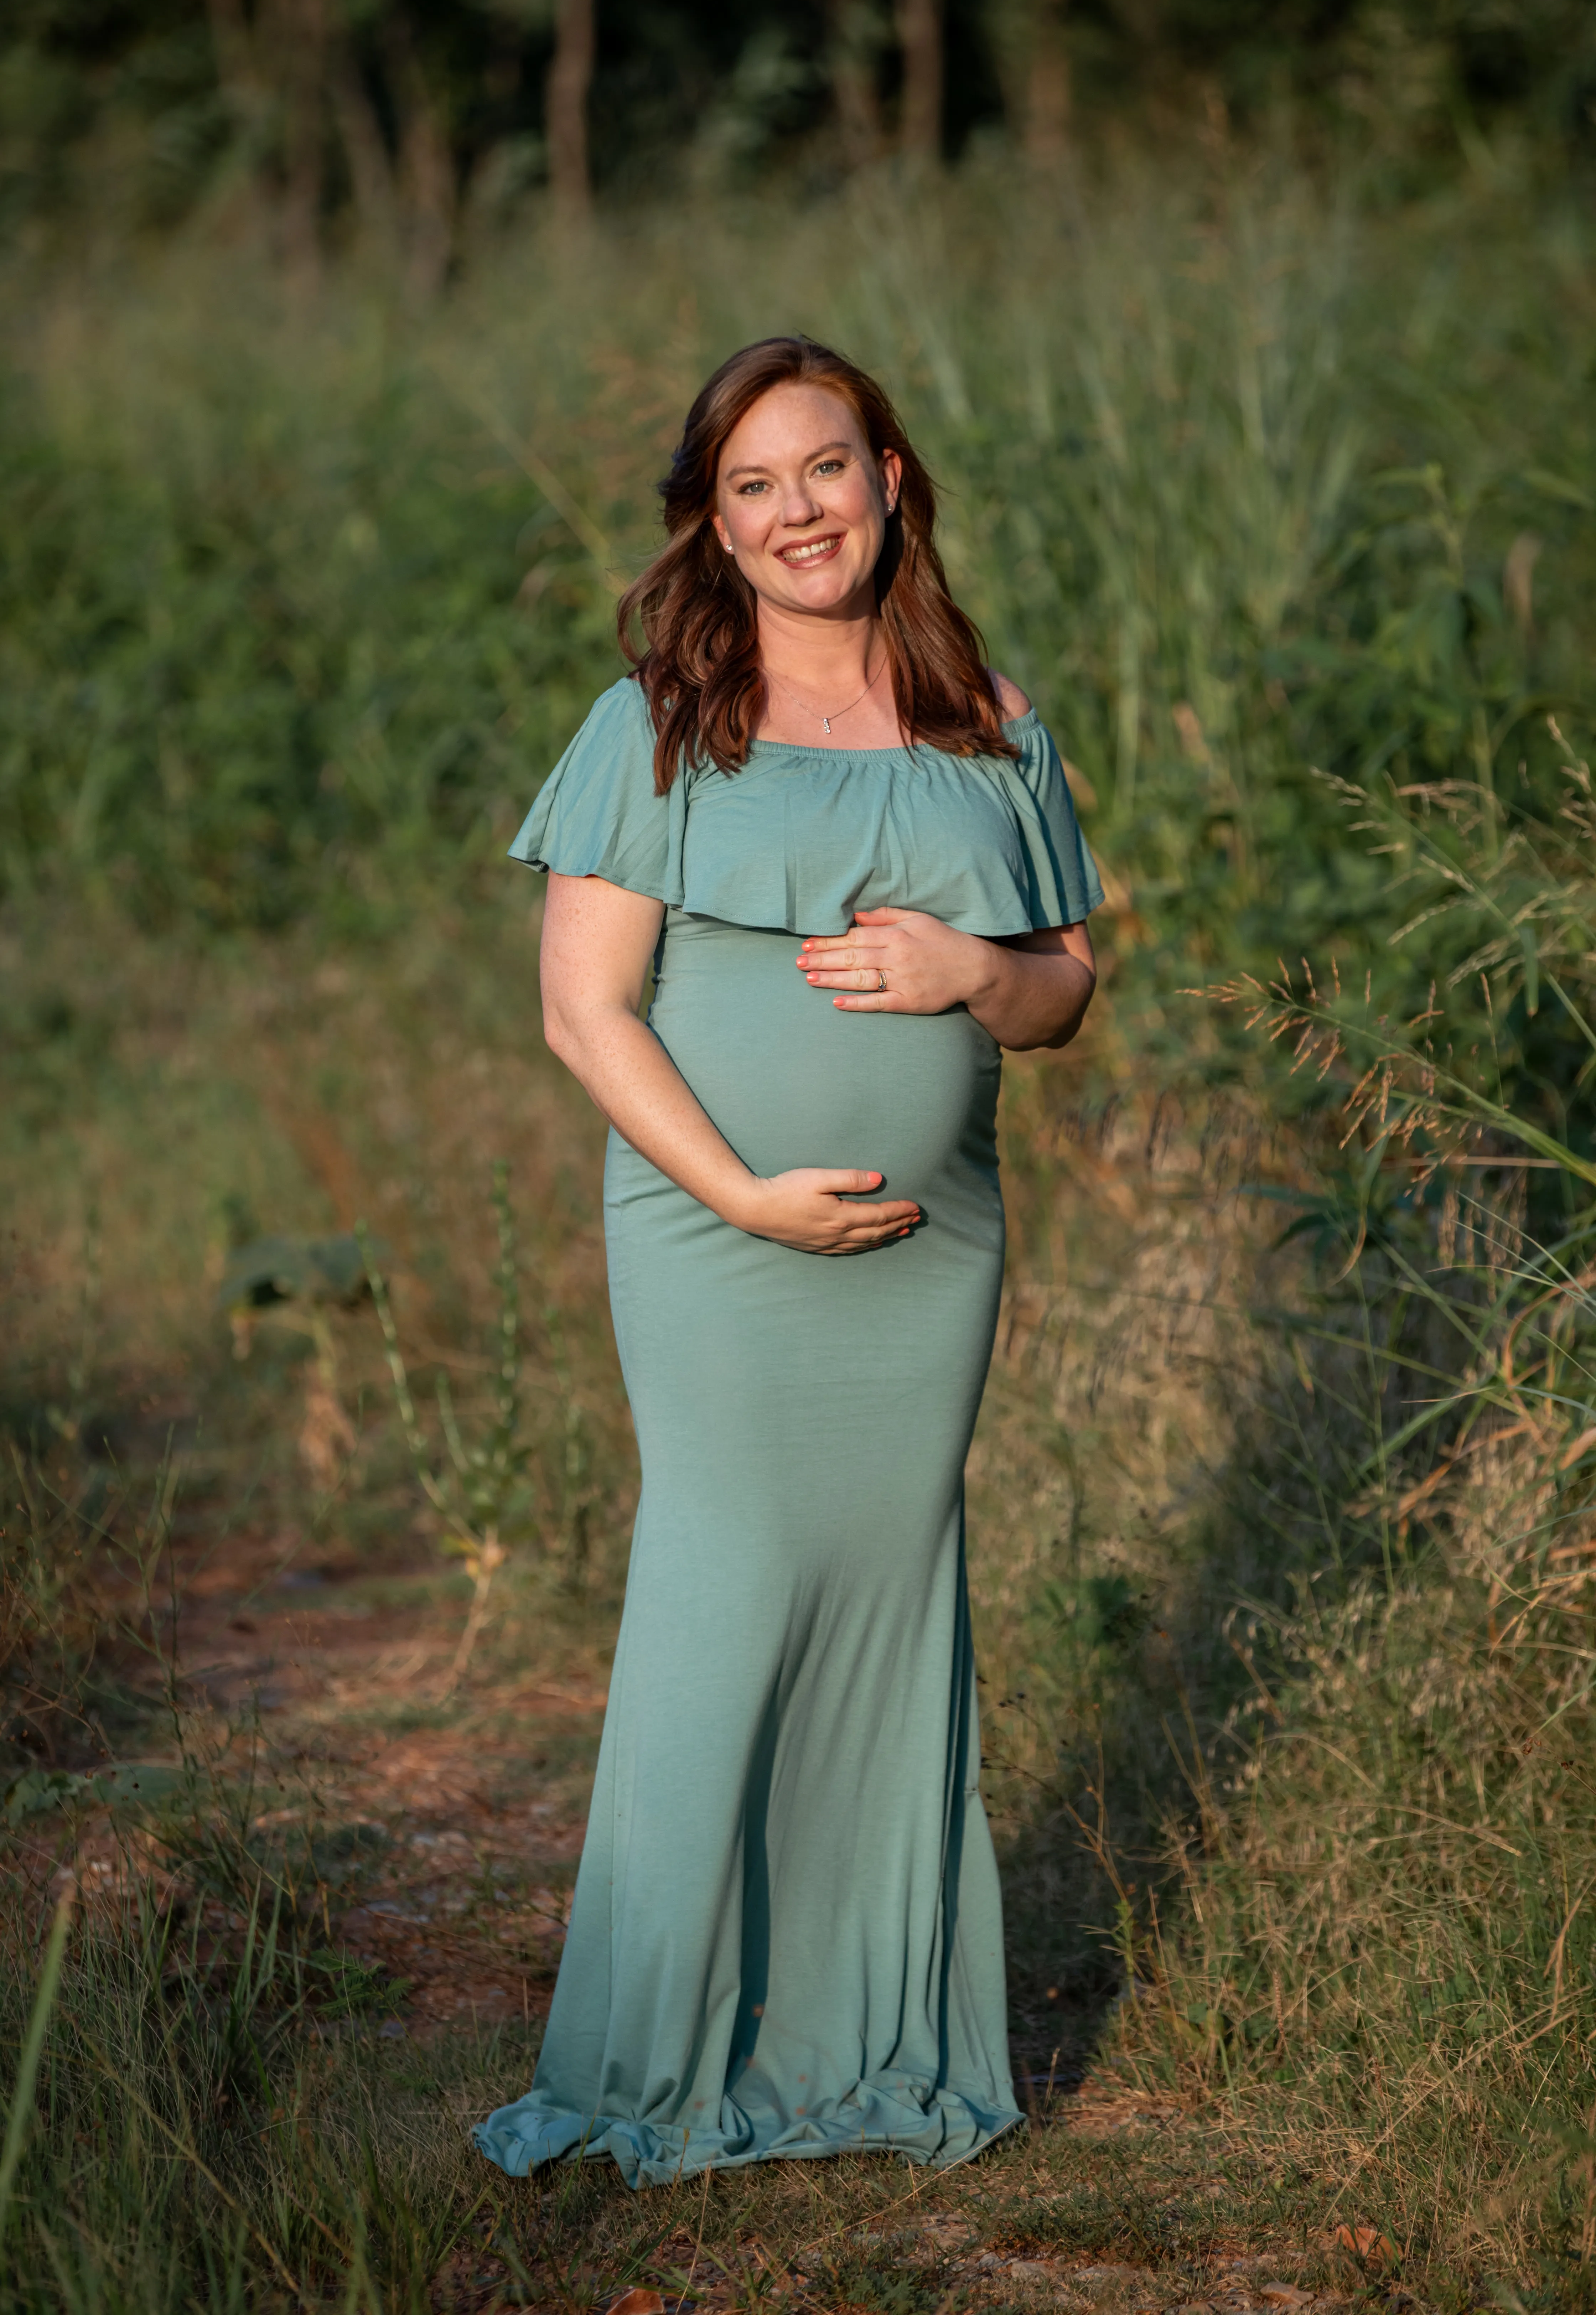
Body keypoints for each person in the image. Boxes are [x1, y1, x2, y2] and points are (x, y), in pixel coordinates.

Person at [474, 336, 1102, 2188]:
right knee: (719, 1596)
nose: (795, 511)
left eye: (823, 469)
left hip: (934, 1261)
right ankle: (641, 2069)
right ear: (715, 524)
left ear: (890, 475)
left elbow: (1065, 990)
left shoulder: (990, 714)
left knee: (892, 1616)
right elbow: (583, 1016)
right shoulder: (663, 716)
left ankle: (860, 2052)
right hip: (713, 1238)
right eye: (752, 487)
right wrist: (743, 1198)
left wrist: (973, 975)